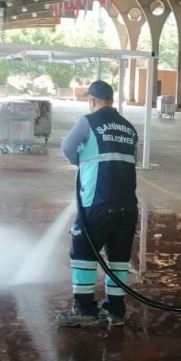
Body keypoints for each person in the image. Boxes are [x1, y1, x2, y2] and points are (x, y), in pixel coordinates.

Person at [56, 80, 139, 327]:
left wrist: (81, 161)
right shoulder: (129, 127)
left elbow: (68, 147)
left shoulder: (88, 121)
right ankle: (115, 310)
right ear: (111, 100)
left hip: (97, 200)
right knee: (118, 257)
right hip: (127, 204)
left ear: (92, 101)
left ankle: (84, 309)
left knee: (83, 251)